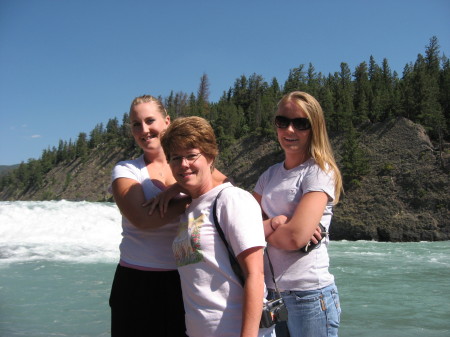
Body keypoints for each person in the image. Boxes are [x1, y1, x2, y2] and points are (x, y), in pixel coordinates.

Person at [109, 95, 227, 336]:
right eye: (136, 124)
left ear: (166, 121)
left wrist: (176, 189)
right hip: (136, 282)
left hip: (186, 279)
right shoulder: (126, 169)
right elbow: (142, 219)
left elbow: (226, 191)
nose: (144, 130)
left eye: (150, 120)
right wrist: (192, 197)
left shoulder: (190, 165)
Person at [160, 116, 275, 337]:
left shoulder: (231, 200)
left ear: (210, 156)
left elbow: (255, 274)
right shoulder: (189, 209)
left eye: (192, 155)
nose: (183, 164)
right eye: (175, 158)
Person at [253, 91, 343, 337]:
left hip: (310, 296)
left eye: (300, 123)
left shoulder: (319, 172)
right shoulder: (269, 175)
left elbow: (295, 238)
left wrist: (266, 228)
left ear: (314, 128)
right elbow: (242, 224)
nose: (289, 130)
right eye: (283, 122)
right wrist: (278, 224)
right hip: (272, 293)